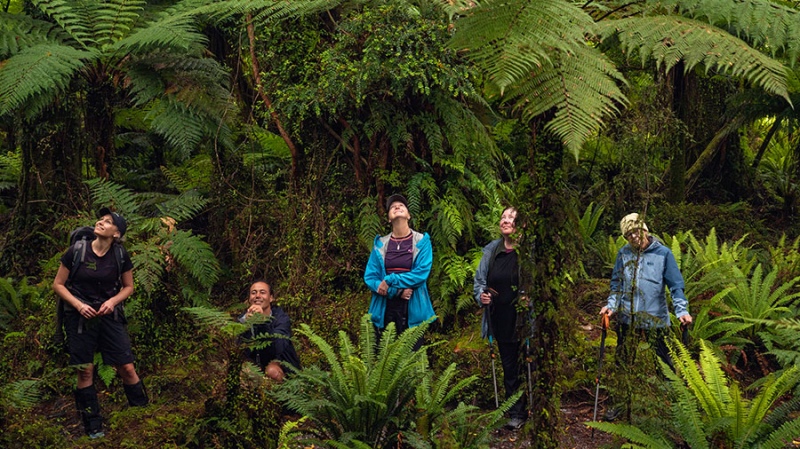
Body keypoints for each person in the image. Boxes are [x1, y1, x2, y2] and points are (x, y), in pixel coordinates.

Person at [53, 208, 148, 439]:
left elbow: (128, 287)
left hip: (109, 316)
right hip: (79, 317)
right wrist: (78, 305)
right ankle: (93, 427)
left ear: (117, 233)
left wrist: (112, 302)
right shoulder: (76, 251)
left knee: (126, 367)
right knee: (85, 371)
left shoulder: (121, 255)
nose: (101, 222)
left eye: (108, 222)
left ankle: (143, 414)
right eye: (101, 219)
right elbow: (58, 284)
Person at [599, 212, 693, 420]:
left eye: (636, 231)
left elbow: (675, 285)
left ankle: (673, 406)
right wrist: (611, 306)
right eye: (628, 234)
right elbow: (616, 284)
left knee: (664, 364)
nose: (633, 237)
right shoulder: (623, 254)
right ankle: (620, 402)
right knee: (623, 362)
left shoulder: (664, 254)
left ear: (645, 230)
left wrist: (681, 310)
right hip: (627, 318)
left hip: (656, 318)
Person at [473, 206, 527, 430]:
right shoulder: (491, 251)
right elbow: (479, 282)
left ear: (520, 224)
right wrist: (481, 296)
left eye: (511, 217)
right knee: (509, 367)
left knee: (527, 364)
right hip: (499, 319)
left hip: (524, 320)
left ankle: (529, 408)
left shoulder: (528, 252)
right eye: (503, 217)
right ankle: (514, 411)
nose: (505, 221)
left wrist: (529, 297)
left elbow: (536, 282)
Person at [364, 194, 435, 344]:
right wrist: (395, 291)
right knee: (384, 361)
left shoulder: (422, 242)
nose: (397, 207)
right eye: (392, 207)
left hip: (412, 310)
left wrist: (390, 280)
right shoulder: (380, 244)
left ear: (408, 215)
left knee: (411, 361)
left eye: (401, 205)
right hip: (384, 310)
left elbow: (420, 275)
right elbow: (370, 277)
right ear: (389, 218)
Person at [238, 280, 301, 381]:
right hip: (256, 365)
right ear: (249, 298)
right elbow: (239, 348)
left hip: (281, 366)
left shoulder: (281, 318)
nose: (257, 296)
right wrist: (246, 324)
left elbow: (278, 347)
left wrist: (262, 322)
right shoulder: (243, 319)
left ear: (271, 298)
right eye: (253, 293)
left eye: (262, 292)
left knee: (272, 371)